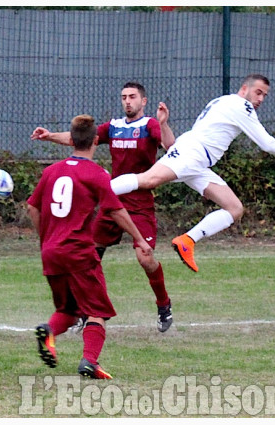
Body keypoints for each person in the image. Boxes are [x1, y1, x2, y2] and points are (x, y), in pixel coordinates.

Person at [111, 74, 275, 272]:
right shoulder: (241, 106)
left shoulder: (222, 100)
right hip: (193, 154)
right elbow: (266, 144)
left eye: (264, 95)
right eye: (258, 92)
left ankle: (187, 241)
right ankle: (98, 189)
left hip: (199, 161)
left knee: (234, 208)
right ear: (244, 89)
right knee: (148, 180)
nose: (261, 99)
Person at [31, 82, 176, 332]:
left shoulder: (150, 124)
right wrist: (50, 136)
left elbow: (170, 146)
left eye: (132, 97)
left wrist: (163, 123)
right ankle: (80, 312)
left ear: (143, 101)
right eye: (124, 97)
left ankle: (164, 305)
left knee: (145, 258)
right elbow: (81, 139)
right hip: (113, 203)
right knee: (89, 255)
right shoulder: (115, 127)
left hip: (140, 205)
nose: (127, 101)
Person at [27, 114, 152, 379]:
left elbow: (32, 206)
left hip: (51, 253)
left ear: (70, 140)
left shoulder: (51, 171)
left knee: (69, 310)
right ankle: (89, 362)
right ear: (96, 140)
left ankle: (49, 332)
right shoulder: (97, 174)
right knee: (97, 311)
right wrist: (139, 239)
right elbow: (116, 211)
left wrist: (45, 238)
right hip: (79, 253)